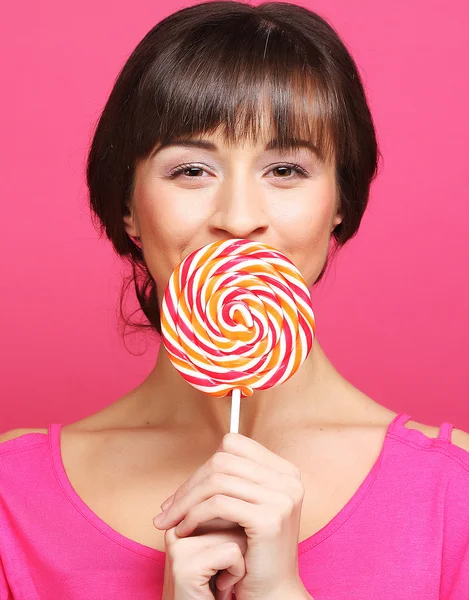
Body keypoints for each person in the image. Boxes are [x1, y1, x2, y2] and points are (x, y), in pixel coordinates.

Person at [1, 1, 468, 599]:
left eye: (286, 169)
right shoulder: (13, 497)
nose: (240, 219)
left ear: (340, 202)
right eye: (192, 170)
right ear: (128, 207)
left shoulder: (453, 494)